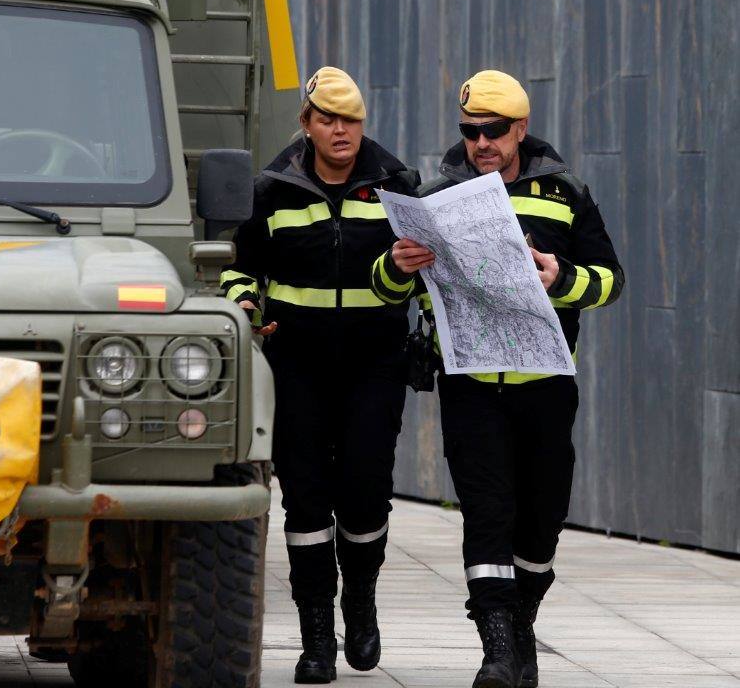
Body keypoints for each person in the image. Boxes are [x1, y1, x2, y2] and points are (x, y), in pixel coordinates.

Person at [370, 70, 624, 688]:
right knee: (486, 512)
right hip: (471, 386)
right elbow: (385, 287)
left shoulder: (566, 194)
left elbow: (611, 281)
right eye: (470, 131)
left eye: (493, 131)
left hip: (546, 385)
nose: (481, 142)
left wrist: (561, 276)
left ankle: (523, 620)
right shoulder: (437, 196)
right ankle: (497, 651)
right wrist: (397, 265)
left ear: (521, 130)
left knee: (541, 519)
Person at [221, 67, 418, 684]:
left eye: (351, 119)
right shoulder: (270, 191)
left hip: (374, 367)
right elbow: (237, 269)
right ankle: (316, 638)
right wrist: (245, 305)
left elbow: (422, 273)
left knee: (364, 495)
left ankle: (359, 600)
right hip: (296, 367)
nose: (341, 131)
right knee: (305, 502)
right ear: (305, 124)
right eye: (328, 119)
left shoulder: (397, 186)